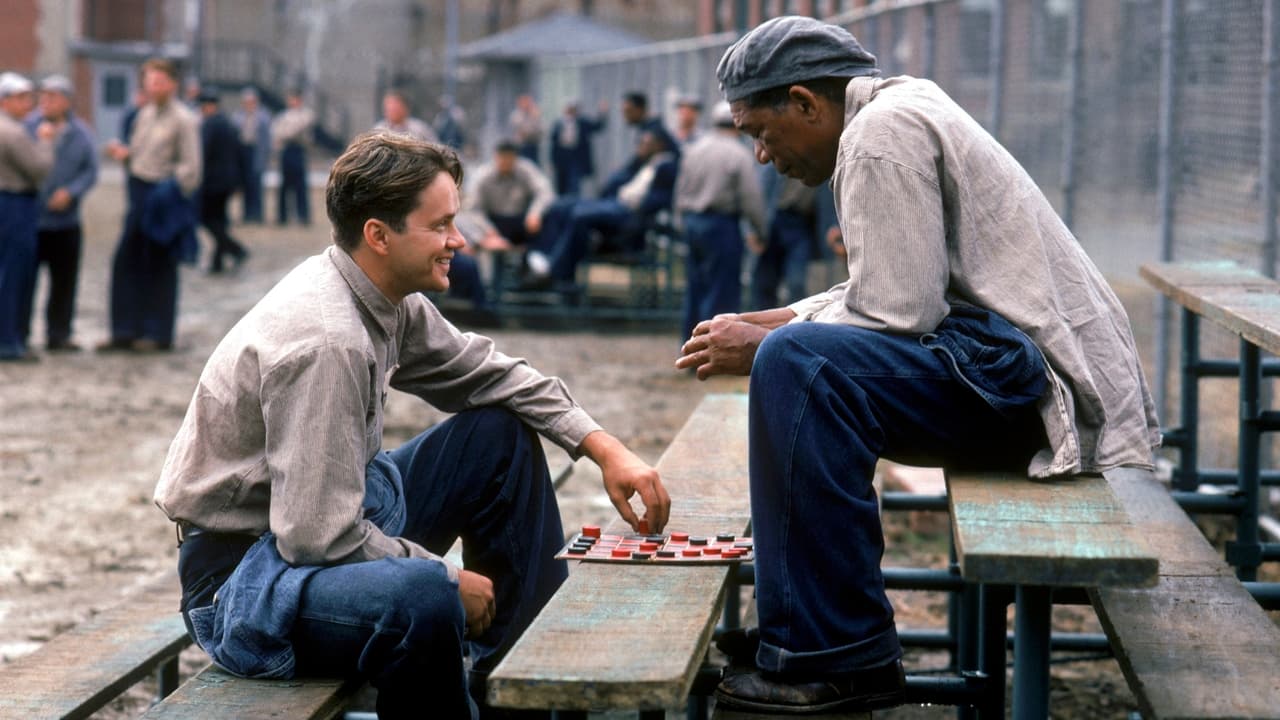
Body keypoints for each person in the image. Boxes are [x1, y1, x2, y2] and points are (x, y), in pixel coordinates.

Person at [676, 16, 1159, 714]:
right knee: (794, 356)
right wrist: (773, 320)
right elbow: (896, 288)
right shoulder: (895, 110)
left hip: (1038, 391)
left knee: (799, 370)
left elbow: (895, 313)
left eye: (761, 131)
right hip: (1008, 367)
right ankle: (801, 627)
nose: (759, 155)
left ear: (808, 103)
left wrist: (766, 345)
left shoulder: (878, 137)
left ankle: (837, 653)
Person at [154, 130, 670, 719]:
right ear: (379, 234)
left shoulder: (378, 290)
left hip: (321, 525)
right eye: (441, 225)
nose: (459, 240)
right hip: (248, 584)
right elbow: (317, 539)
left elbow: (484, 372)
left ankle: (524, 696)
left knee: (497, 438)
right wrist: (446, 577)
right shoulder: (328, 343)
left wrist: (604, 448)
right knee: (424, 600)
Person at [101, 57, 201, 354]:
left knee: (159, 264)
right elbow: (140, 155)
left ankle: (158, 333)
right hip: (138, 193)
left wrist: (169, 191)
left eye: (158, 81)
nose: (152, 87)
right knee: (127, 260)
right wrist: (125, 155)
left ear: (172, 84)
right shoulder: (143, 115)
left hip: (162, 197)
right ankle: (124, 330)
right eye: (148, 81)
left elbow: (191, 169)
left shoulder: (184, 119)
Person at [526, 128, 678, 289]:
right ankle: (542, 260)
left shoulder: (666, 165)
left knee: (580, 215)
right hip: (615, 202)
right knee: (561, 207)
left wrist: (638, 210)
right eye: (641, 143)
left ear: (660, 145)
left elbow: (659, 199)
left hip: (630, 212)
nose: (641, 146)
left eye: (647, 143)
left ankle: (557, 273)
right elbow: (618, 180)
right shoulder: (644, 162)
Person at [673, 101, 765, 343]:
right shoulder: (738, 153)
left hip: (693, 222)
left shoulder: (694, 149)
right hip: (721, 225)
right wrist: (761, 231)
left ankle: (690, 344)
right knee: (721, 288)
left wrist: (681, 223)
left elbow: (680, 190)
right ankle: (712, 347)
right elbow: (750, 198)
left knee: (695, 286)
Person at [25, 74, 98, 353]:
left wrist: (71, 192)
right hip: (33, 219)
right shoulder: (28, 127)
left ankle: (59, 334)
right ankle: (20, 332)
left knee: (64, 281)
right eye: (43, 96)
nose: (46, 102)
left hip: (66, 222)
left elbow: (91, 171)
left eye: (53, 97)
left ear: (66, 101)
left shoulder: (81, 133)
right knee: (25, 280)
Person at [0, 72, 54, 362]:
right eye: (20, 98)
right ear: (4, 101)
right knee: (14, 273)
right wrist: (45, 141)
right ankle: (9, 339)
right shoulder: (13, 132)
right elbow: (38, 169)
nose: (27, 104)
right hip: (15, 203)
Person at [749, 164, 837, 310]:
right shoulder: (780, 156)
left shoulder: (823, 160)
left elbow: (832, 197)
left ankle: (792, 324)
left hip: (801, 222)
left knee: (797, 281)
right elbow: (760, 190)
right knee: (764, 281)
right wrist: (754, 230)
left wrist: (834, 225)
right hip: (775, 219)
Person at [464, 139, 555, 251]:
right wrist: (488, 229)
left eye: (510, 159)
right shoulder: (482, 176)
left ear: (516, 158)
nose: (506, 163)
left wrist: (535, 213)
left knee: (551, 218)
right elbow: (473, 209)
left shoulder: (525, 170)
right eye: (502, 158)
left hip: (523, 220)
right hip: (494, 222)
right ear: (495, 157)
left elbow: (545, 192)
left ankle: (541, 261)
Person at [196, 90, 249, 274]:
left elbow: (203, 154)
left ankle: (235, 249)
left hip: (212, 182)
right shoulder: (229, 124)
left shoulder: (209, 125)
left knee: (207, 219)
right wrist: (240, 181)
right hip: (228, 181)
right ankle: (217, 262)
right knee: (219, 220)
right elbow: (240, 153)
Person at [271, 89, 313, 226]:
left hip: (298, 150)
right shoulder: (283, 116)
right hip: (287, 151)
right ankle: (282, 216)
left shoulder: (306, 115)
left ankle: (303, 216)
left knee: (300, 185)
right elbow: (277, 133)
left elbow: (292, 130)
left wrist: (286, 132)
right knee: (284, 185)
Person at [548, 99, 607, 197]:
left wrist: (603, 113)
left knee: (574, 185)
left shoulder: (582, 122)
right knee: (561, 186)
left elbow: (598, 126)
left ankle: (574, 206)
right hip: (562, 159)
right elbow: (553, 143)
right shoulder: (558, 123)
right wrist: (552, 160)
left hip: (576, 158)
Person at [232, 88, 271, 223]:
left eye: (252, 101)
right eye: (247, 102)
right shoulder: (238, 117)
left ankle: (257, 214)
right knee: (245, 185)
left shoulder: (263, 117)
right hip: (243, 152)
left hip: (256, 152)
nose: (249, 104)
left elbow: (266, 141)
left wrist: (264, 158)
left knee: (256, 184)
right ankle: (246, 214)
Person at [508, 93, 542, 165]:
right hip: (521, 145)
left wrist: (535, 117)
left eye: (528, 102)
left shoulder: (535, 114)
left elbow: (540, 130)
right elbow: (521, 130)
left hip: (533, 145)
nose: (526, 104)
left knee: (534, 165)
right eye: (524, 102)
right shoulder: (516, 115)